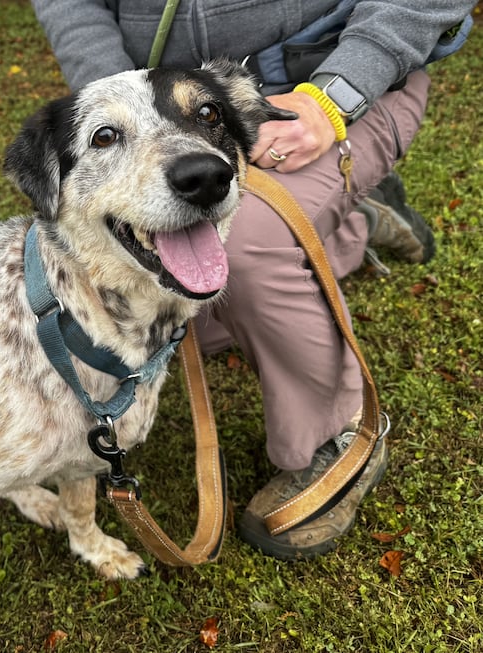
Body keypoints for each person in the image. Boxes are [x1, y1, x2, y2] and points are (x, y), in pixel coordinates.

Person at [30, 0, 475, 560]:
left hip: (341, 83)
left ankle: (338, 432)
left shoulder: (343, 86)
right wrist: (124, 111)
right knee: (171, 301)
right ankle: (349, 225)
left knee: (242, 250)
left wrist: (337, 93)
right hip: (169, 105)